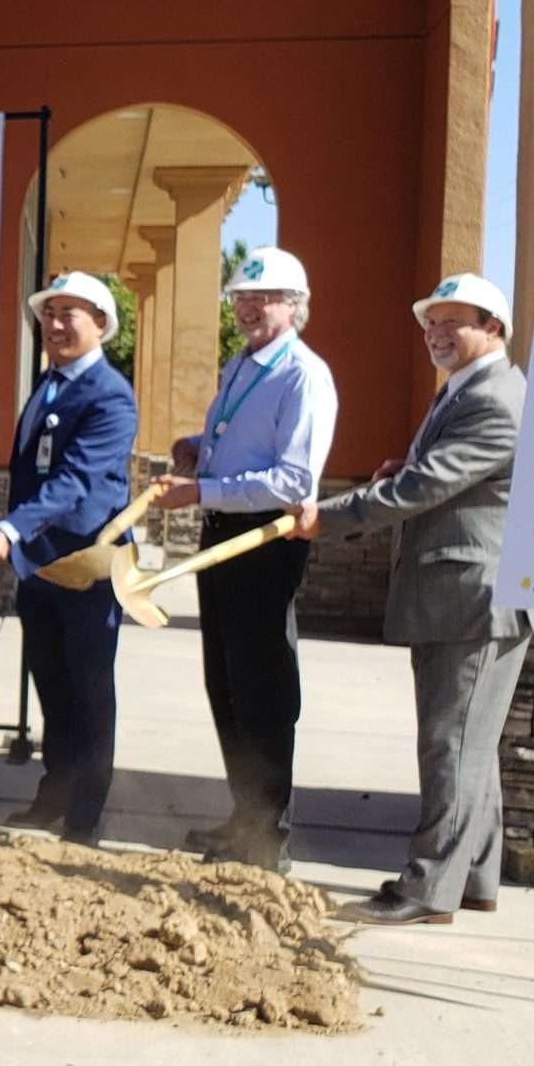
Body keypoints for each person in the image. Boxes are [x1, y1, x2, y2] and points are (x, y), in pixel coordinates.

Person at [291, 274, 533, 924]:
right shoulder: (467, 389)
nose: (438, 333)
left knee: (450, 745)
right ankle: (474, 880)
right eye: (432, 322)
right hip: (455, 596)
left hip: (474, 600)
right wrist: (403, 470)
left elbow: (428, 484)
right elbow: (439, 476)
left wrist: (330, 516)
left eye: (455, 322)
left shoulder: (497, 398)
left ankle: (428, 890)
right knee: (468, 749)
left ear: (494, 329)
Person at [152, 245, 339, 873]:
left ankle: (268, 835)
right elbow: (239, 439)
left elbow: (291, 480)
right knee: (225, 685)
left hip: (262, 541)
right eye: (242, 298)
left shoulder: (302, 375)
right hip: (221, 537)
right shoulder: (243, 366)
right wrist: (198, 448)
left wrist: (202, 488)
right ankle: (243, 817)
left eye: (264, 298)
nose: (250, 308)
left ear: (295, 306)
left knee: (262, 688)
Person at [0, 273, 138, 845]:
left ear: (101, 324)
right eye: (50, 313)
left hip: (87, 570)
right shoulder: (48, 384)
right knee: (53, 691)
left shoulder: (110, 395)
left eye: (71, 313)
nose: (57, 324)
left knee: (90, 693)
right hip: (40, 569)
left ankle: (84, 818)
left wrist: (10, 528)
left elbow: (74, 482)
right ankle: (54, 797)